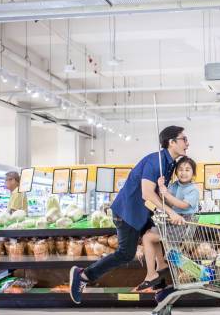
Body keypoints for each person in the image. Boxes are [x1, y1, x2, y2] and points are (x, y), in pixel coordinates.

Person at [69, 126, 190, 304]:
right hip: (127, 213)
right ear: (171, 142)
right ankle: (84, 275)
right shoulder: (155, 161)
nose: (187, 143)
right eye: (184, 139)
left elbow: (159, 192)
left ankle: (161, 287)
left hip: (142, 213)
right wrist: (171, 213)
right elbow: (147, 193)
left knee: (155, 238)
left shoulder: (169, 163)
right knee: (125, 253)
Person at [136, 156, 199, 291]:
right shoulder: (174, 185)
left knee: (149, 238)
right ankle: (162, 268)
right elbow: (167, 202)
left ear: (193, 173)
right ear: (176, 172)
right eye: (180, 169)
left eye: (187, 169)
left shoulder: (193, 189)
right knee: (152, 237)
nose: (183, 172)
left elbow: (183, 205)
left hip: (183, 224)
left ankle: (152, 273)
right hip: (172, 221)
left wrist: (167, 194)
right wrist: (161, 187)